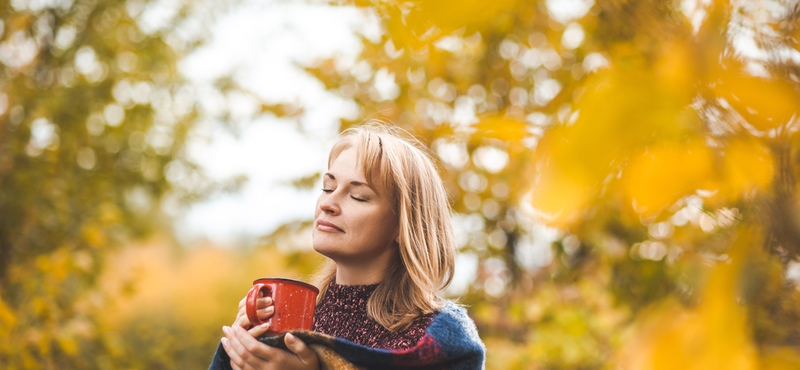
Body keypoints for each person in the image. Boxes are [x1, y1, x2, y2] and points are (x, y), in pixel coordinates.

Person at [209, 123, 485, 370]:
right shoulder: (294, 318)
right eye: (328, 188)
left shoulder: (439, 339)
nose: (327, 204)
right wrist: (237, 354)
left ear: (404, 226)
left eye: (358, 196)